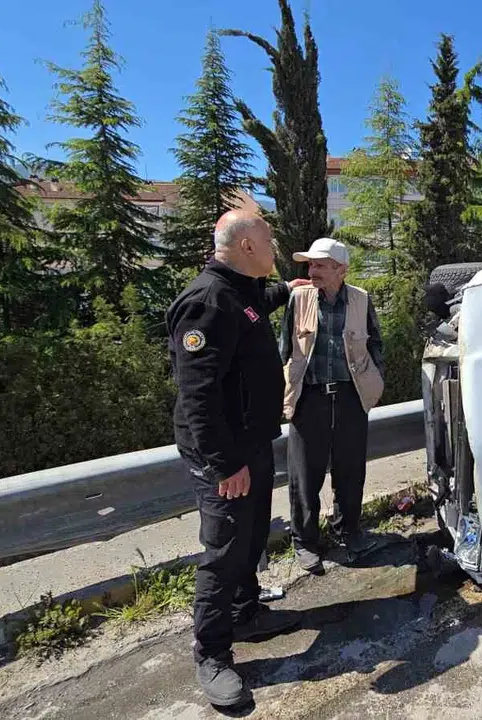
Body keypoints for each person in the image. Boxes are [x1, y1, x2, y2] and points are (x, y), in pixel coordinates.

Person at [166, 209, 310, 708]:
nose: (274, 246)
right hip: (225, 453)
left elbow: (253, 312)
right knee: (224, 550)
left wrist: (286, 290)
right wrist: (224, 464)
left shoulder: (239, 294)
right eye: (268, 238)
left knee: (250, 536)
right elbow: (197, 396)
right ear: (246, 245)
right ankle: (211, 653)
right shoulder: (207, 302)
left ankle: (247, 613)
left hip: (250, 442)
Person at [280, 238, 385, 573]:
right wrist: (285, 392)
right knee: (304, 475)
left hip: (350, 396)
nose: (312, 272)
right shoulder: (298, 299)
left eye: (320, 266)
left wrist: (375, 382)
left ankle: (349, 531)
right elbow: (284, 347)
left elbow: (376, 344)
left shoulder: (360, 299)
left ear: (341, 269)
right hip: (309, 398)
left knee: (351, 471)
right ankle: (305, 542)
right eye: (310, 265)